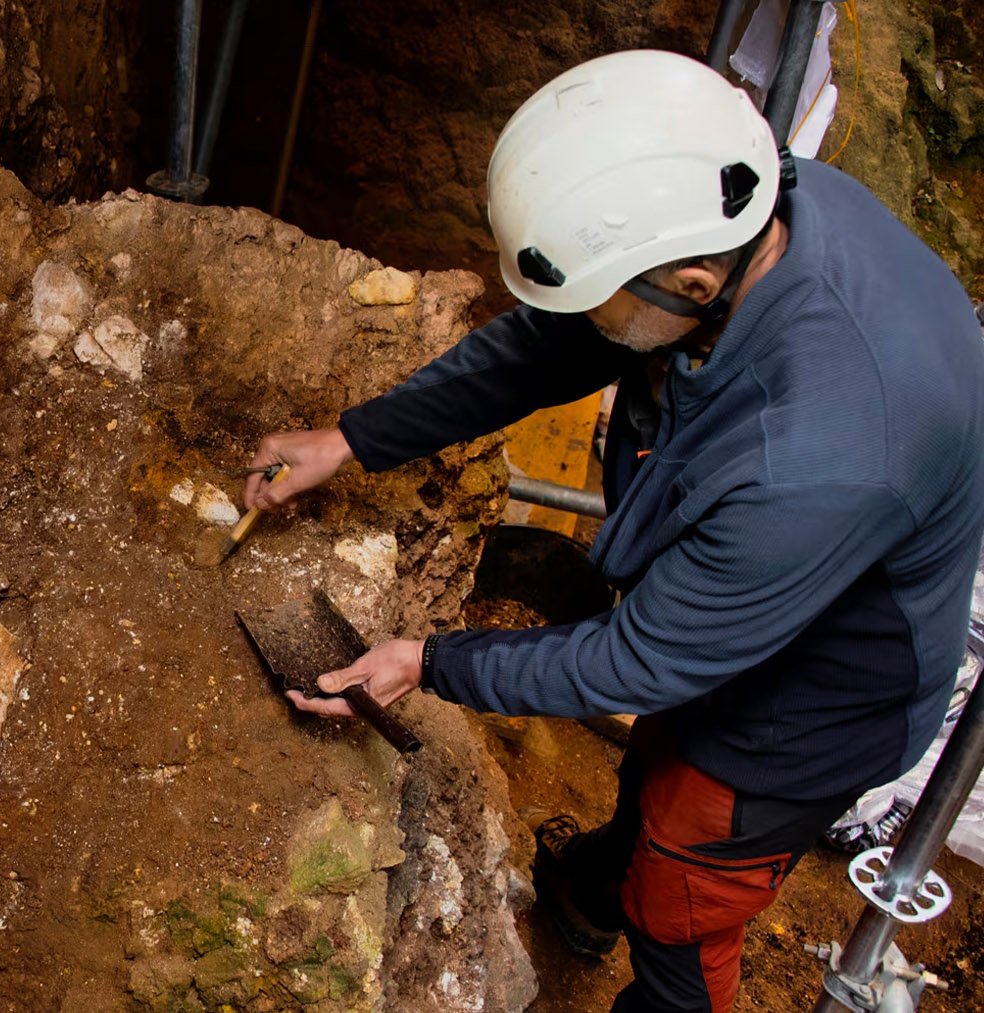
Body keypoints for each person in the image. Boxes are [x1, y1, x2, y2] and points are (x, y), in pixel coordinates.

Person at [245, 51, 984, 1013]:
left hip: (816, 700)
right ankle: (594, 890)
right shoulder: (747, 214)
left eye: (599, 299)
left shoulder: (814, 457)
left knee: (687, 877)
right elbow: (551, 343)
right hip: (763, 583)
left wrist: (426, 661)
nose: (582, 322)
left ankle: (654, 954)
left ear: (686, 280)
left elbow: (638, 660)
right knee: (657, 773)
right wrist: (352, 438)